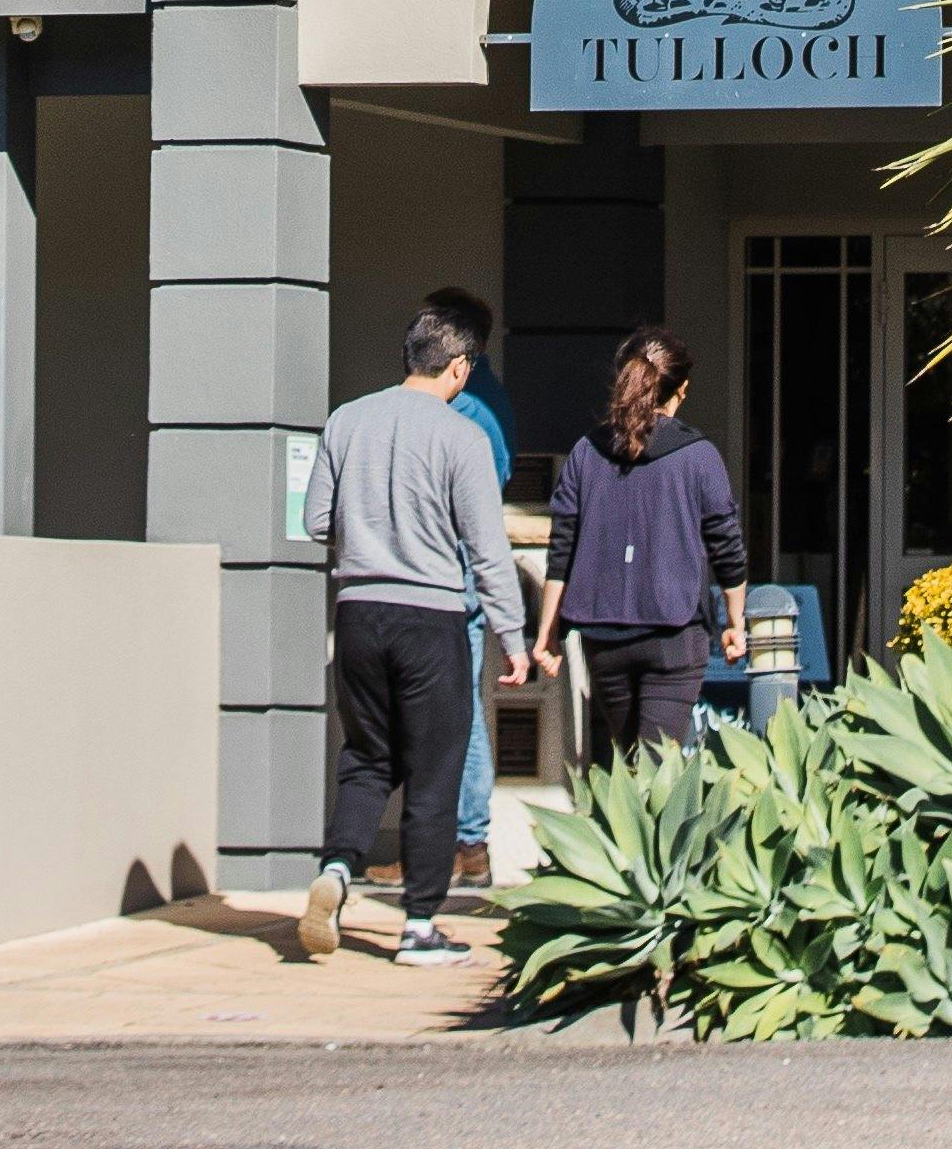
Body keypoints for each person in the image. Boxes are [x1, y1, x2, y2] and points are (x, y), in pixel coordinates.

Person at [298, 306, 529, 967]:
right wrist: (513, 639)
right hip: (431, 615)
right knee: (434, 771)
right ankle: (420, 926)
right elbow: (488, 550)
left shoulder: (347, 419)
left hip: (359, 610)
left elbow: (318, 521)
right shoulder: (462, 439)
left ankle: (339, 869)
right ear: (459, 367)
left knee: (367, 756)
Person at [530, 329, 745, 772]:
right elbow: (727, 546)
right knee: (654, 776)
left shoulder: (586, 453)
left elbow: (561, 549)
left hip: (602, 636)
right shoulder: (699, 456)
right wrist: (735, 623)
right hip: (674, 632)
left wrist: (547, 632)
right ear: (681, 389)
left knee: (630, 764)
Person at [419, 285, 511, 890]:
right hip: (454, 577)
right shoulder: (486, 399)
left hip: (448, 578)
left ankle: (464, 844)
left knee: (454, 714)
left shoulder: (466, 405)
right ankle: (447, 845)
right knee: (452, 712)